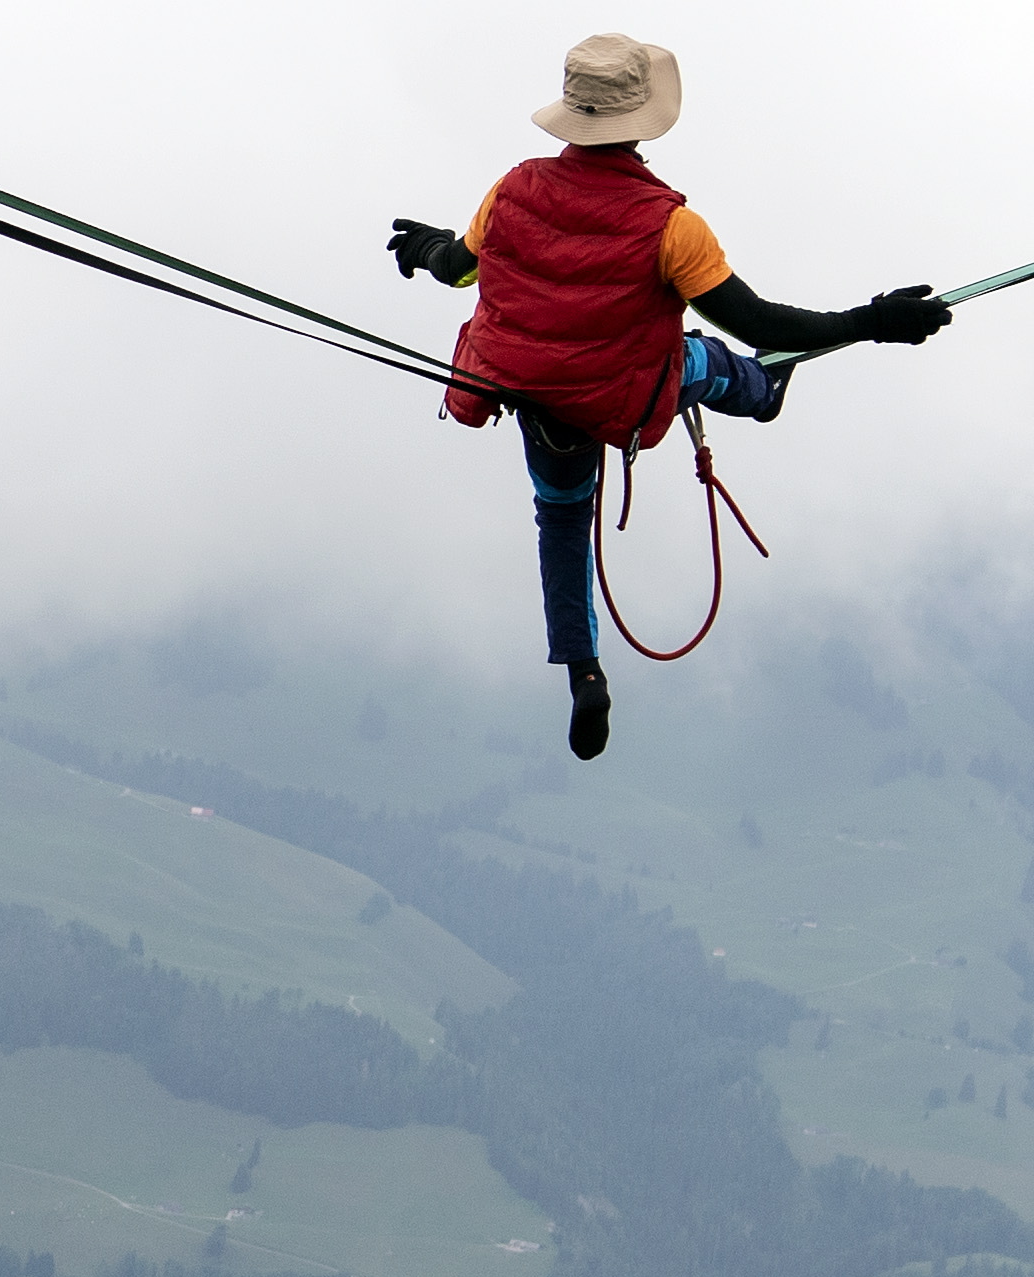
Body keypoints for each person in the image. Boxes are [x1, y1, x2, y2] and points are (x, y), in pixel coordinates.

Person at [386, 34, 950, 760]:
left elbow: (459, 270)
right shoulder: (670, 228)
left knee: (560, 519)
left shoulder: (511, 191)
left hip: (533, 395)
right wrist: (871, 323)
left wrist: (429, 246)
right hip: (621, 389)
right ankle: (764, 391)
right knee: (707, 359)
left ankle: (583, 671)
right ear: (643, 123)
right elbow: (759, 322)